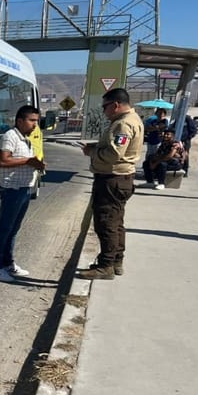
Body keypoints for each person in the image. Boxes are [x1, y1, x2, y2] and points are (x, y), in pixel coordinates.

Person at [77, 87, 144, 280]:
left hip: (112, 179)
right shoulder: (130, 120)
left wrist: (92, 152)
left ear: (115, 105)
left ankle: (106, 266)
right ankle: (115, 260)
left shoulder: (123, 124)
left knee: (106, 223)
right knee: (116, 223)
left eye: (105, 106)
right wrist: (96, 147)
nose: (103, 110)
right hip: (120, 179)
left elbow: (114, 154)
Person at [0, 105, 46, 282]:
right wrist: (29, 161)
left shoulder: (25, 139)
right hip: (12, 189)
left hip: (24, 188)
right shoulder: (10, 136)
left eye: (37, 121)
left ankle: (8, 263)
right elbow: (3, 161)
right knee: (4, 228)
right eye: (32, 120)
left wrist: (37, 164)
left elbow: (24, 161)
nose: (35, 124)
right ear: (20, 120)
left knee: (13, 229)